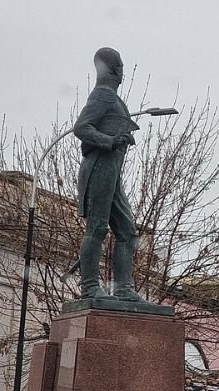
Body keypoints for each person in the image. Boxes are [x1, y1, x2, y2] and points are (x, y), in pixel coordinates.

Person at [73, 47, 145, 302]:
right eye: (121, 67)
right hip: (99, 168)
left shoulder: (112, 98)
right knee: (97, 228)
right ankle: (90, 288)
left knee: (127, 231)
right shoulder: (104, 95)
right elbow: (81, 127)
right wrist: (112, 140)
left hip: (112, 172)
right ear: (117, 70)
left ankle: (123, 289)